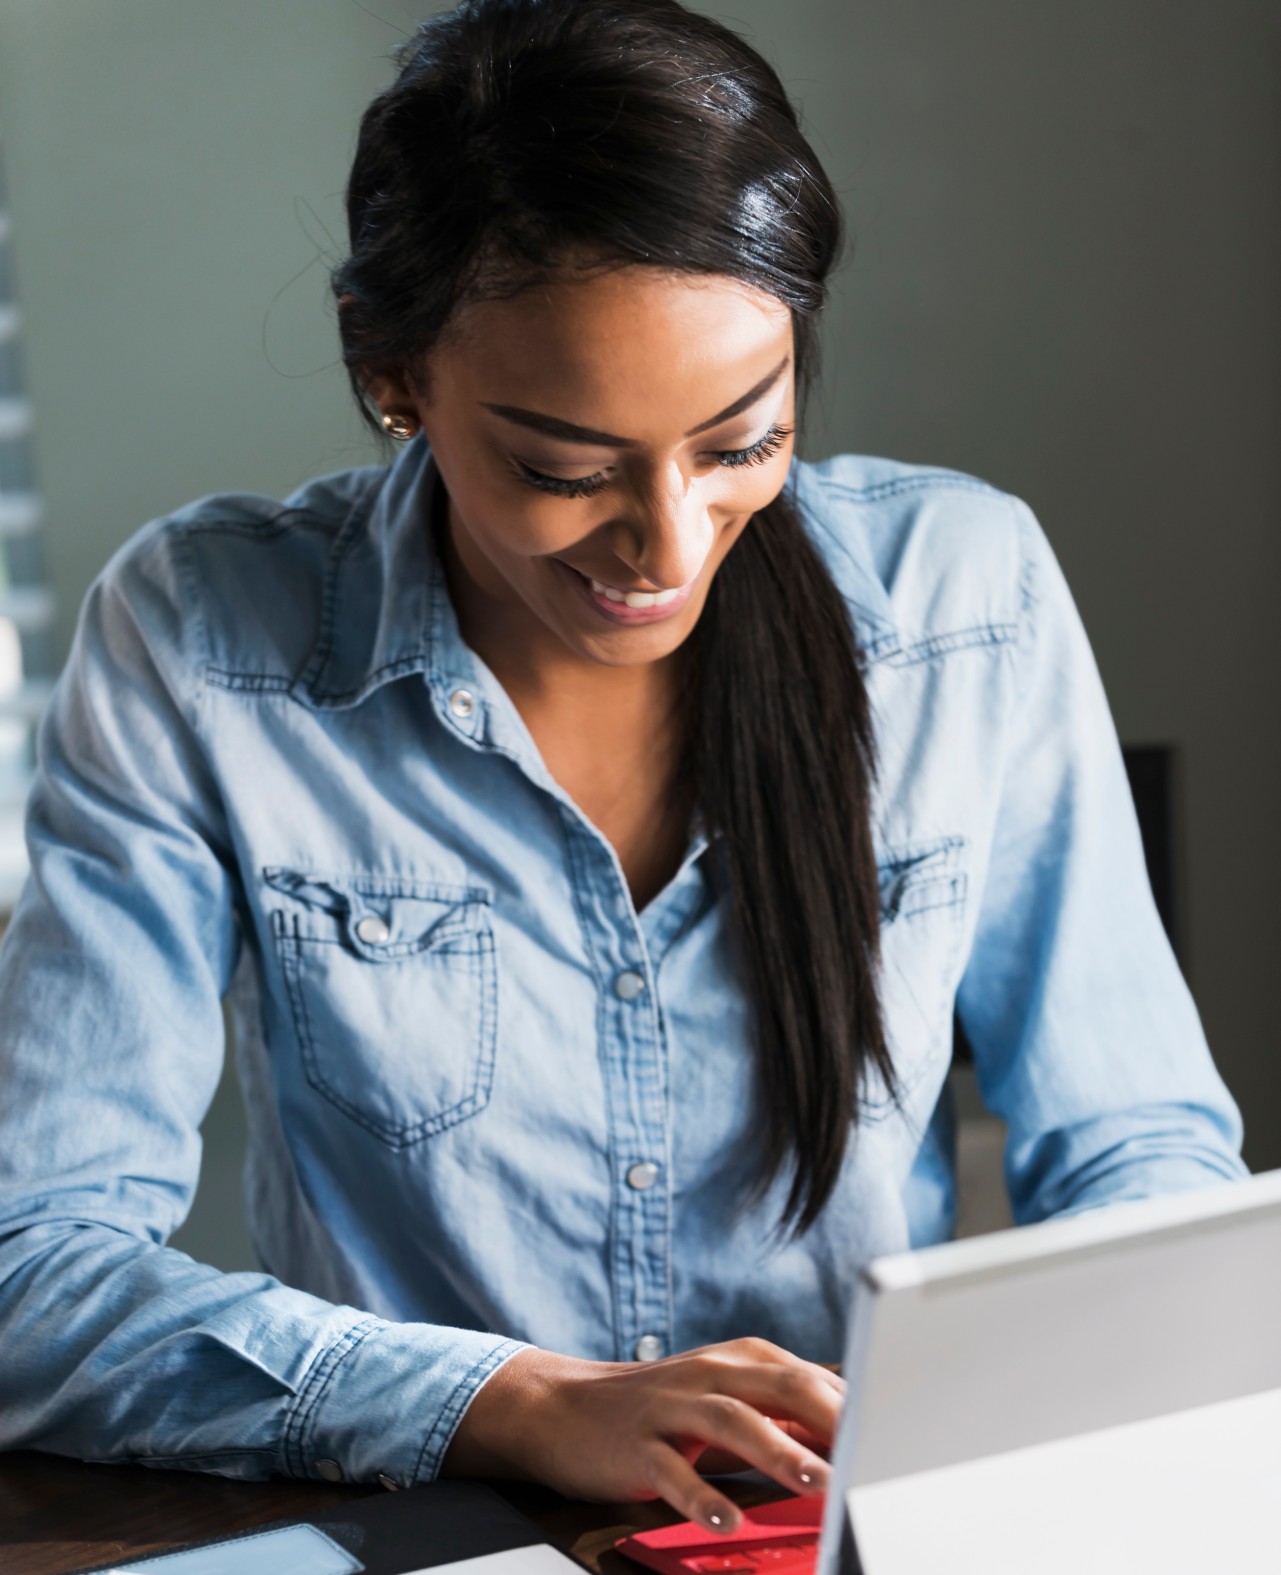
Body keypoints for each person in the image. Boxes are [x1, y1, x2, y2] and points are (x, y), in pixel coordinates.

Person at [0, 0, 1245, 1537]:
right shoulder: (203, 639)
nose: (665, 548)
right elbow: (32, 1273)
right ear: (392, 375)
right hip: (438, 1532)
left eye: (740, 443)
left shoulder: (963, 597)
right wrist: (514, 1403)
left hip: (843, 1533)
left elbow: (1141, 1156)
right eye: (563, 468)